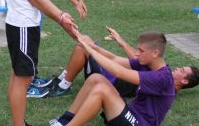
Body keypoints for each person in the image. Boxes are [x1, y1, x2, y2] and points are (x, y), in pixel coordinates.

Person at [39, 31, 199, 126]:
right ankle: (63, 122)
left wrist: (91, 50)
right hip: (130, 114)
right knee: (96, 79)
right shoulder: (148, 64)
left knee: (101, 88)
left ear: (155, 53)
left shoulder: (164, 78)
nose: (136, 53)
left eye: (141, 51)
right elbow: (115, 59)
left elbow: (118, 71)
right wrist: (89, 45)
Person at [47, 26, 199, 98]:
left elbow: (121, 69)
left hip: (108, 82)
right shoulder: (158, 70)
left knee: (83, 47)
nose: (178, 68)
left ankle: (62, 86)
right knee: (86, 40)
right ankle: (61, 79)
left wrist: (91, 49)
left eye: (182, 71)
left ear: (184, 81)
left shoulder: (163, 83)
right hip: (109, 75)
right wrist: (117, 43)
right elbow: (129, 58)